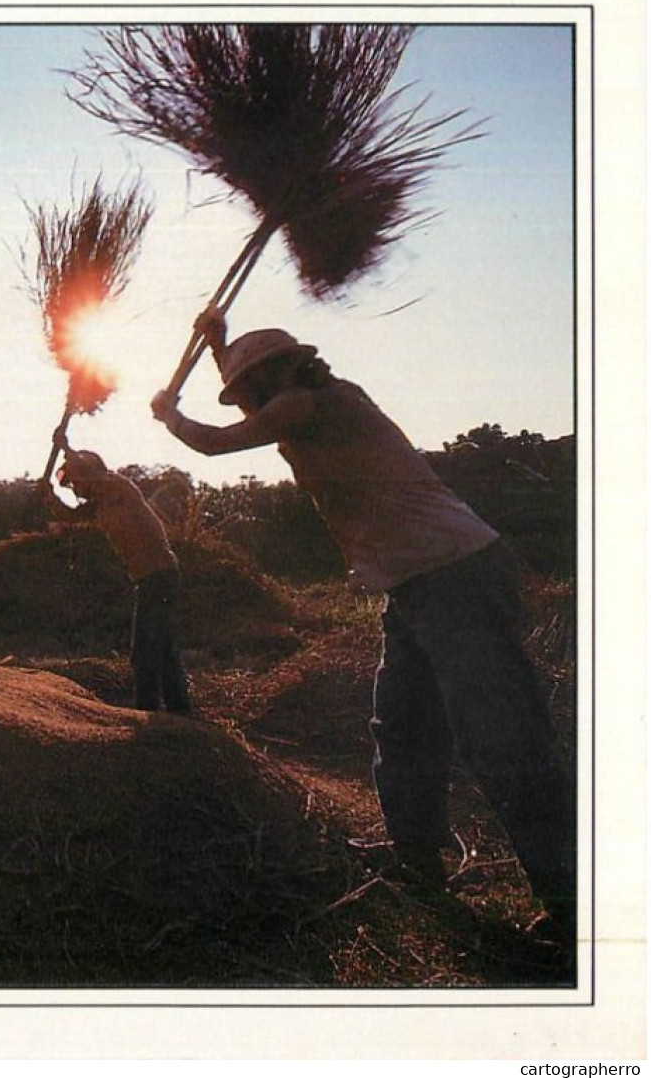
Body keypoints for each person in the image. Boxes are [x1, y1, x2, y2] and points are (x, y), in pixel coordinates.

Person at [150, 306, 575, 943]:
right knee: (403, 725)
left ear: (283, 372)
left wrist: (170, 416)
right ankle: (417, 860)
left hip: (456, 573)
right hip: (412, 584)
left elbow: (219, 442)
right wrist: (219, 345)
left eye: (249, 388)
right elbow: (255, 412)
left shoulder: (316, 401)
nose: (248, 403)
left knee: (503, 735)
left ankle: (572, 900)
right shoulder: (294, 406)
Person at [41, 434, 190, 714]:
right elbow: (68, 516)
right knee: (164, 649)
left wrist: (66, 447)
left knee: (145, 651)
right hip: (150, 579)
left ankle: (148, 711)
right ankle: (179, 712)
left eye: (75, 480)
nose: (75, 487)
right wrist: (49, 497)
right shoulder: (97, 505)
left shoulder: (117, 486)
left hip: (159, 576)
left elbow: (89, 473)